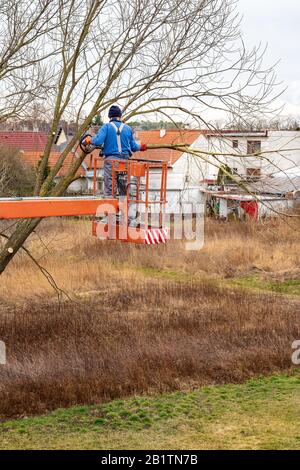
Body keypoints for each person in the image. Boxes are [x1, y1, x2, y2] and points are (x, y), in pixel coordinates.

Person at [83, 105, 147, 226]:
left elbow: (98, 141)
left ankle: (110, 218)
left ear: (109, 117)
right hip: (125, 162)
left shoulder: (106, 127)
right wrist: (142, 147)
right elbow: (133, 146)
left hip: (111, 162)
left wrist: (88, 140)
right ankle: (126, 218)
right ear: (120, 116)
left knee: (109, 189)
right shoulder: (128, 129)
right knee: (124, 190)